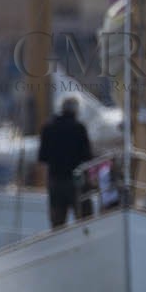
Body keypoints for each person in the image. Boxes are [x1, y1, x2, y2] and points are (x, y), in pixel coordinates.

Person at [37, 96, 93, 227]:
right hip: (76, 181)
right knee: (85, 220)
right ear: (76, 110)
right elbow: (87, 156)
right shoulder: (79, 128)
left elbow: (43, 157)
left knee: (58, 224)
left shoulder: (48, 128)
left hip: (55, 181)